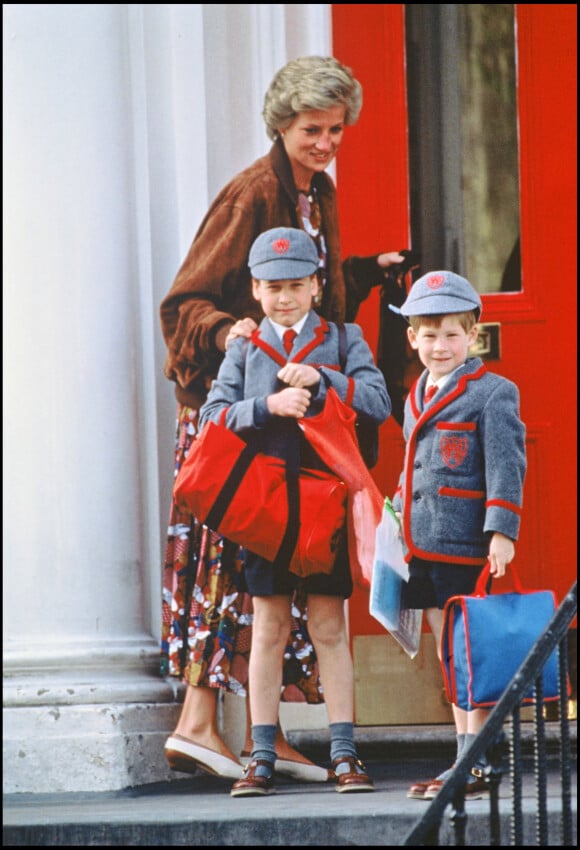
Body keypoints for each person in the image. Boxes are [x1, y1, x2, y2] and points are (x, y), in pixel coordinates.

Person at [160, 54, 408, 782]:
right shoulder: (251, 194)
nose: (326, 142)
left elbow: (315, 295)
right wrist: (226, 334)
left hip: (297, 425)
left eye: (335, 129)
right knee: (229, 569)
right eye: (311, 129)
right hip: (239, 421)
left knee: (280, 585)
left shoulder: (317, 192)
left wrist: (365, 271)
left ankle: (267, 736)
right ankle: (200, 723)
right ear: (280, 123)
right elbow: (187, 304)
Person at [197, 226, 390, 797]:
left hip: (325, 505)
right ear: (255, 290)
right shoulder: (245, 347)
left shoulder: (343, 338)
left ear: (315, 287)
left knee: (331, 627)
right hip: (266, 512)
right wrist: (267, 405)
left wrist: (324, 380)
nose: (285, 298)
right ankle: (261, 753)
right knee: (269, 630)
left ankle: (345, 754)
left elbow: (378, 401)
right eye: (273, 287)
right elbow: (212, 416)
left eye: (296, 285)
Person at [389, 270, 527, 801]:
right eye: (429, 335)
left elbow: (507, 466)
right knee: (449, 656)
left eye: (451, 335)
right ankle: (463, 753)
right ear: (412, 339)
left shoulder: (493, 393)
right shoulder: (415, 394)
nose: (440, 346)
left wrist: (502, 531)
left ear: (472, 336)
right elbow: (415, 469)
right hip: (422, 544)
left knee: (472, 649)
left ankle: (482, 755)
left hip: (467, 543)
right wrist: (395, 521)